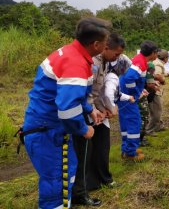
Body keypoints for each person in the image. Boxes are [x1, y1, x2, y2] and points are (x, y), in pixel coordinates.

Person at [21, 17, 111, 209]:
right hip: (48, 131)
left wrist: (89, 110)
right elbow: (67, 110)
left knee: (65, 173)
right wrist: (83, 129)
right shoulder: (75, 63)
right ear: (95, 44)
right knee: (57, 181)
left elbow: (73, 96)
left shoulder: (73, 54)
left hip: (49, 128)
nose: (106, 45)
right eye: (105, 42)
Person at [71, 33, 126, 205]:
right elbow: (84, 93)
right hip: (83, 112)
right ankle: (80, 190)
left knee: (102, 146)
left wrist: (102, 110)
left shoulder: (104, 63)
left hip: (95, 111)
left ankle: (102, 179)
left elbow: (97, 92)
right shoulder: (92, 62)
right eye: (116, 54)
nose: (117, 58)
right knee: (85, 152)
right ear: (105, 47)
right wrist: (94, 110)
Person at [118, 40, 159, 161]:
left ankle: (126, 149)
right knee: (135, 123)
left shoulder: (139, 59)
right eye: (156, 53)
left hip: (123, 96)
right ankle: (131, 153)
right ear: (152, 53)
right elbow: (130, 78)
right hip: (128, 99)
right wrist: (136, 93)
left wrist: (140, 90)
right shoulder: (140, 62)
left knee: (126, 123)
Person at [146, 49, 169, 135]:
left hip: (151, 89)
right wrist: (163, 80)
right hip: (154, 91)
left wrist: (166, 74)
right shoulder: (158, 64)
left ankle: (159, 126)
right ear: (165, 58)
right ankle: (149, 130)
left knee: (155, 110)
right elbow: (157, 75)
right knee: (157, 112)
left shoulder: (156, 62)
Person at [139, 62, 159, 146]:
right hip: (142, 97)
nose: (152, 71)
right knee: (144, 117)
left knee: (141, 117)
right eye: (152, 69)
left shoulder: (140, 73)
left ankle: (139, 138)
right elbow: (150, 85)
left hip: (139, 96)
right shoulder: (148, 74)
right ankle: (141, 139)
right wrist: (155, 87)